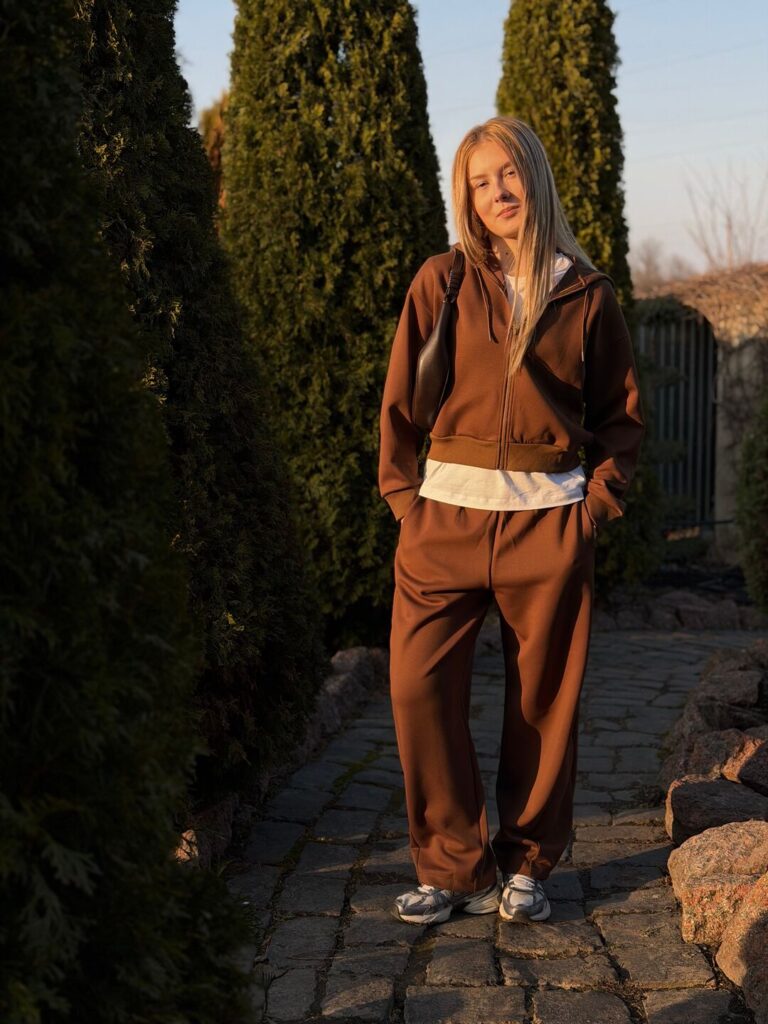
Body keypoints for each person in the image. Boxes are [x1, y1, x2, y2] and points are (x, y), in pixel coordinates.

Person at [378, 116, 645, 927]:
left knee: (541, 708)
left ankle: (527, 864)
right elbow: (400, 401)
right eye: (479, 180)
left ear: (535, 178)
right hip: (443, 527)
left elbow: (621, 419)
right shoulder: (443, 280)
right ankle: (452, 868)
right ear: (464, 196)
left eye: (508, 173)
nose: (496, 191)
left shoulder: (587, 294)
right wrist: (406, 503)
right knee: (417, 690)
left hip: (548, 528)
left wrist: (594, 508)